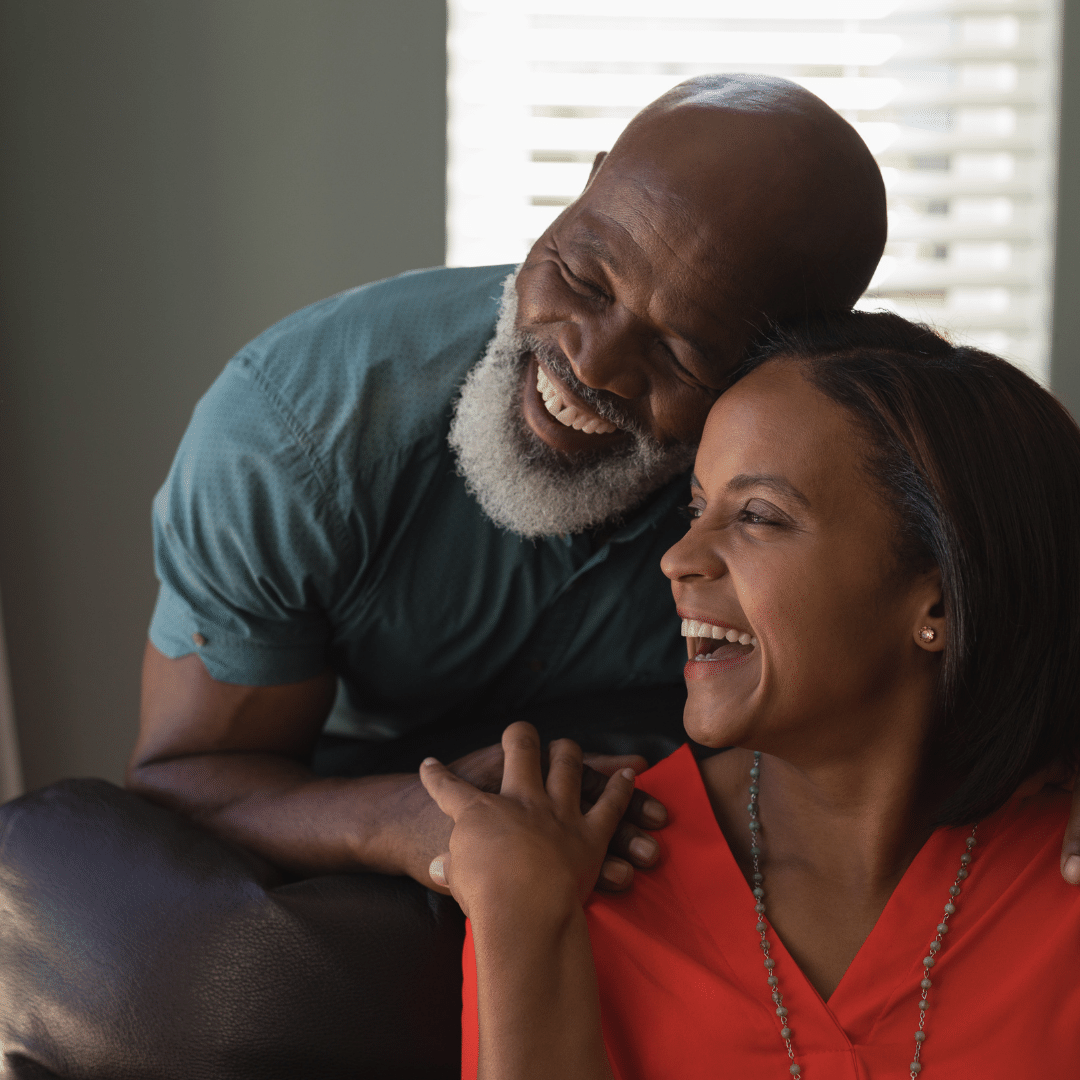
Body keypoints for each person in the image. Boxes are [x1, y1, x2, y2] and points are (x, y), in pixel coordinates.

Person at [423, 312, 1080, 1078]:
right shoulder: (573, 879)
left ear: (937, 601)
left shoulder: (1062, 868)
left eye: (758, 516)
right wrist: (520, 921)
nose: (678, 558)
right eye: (697, 509)